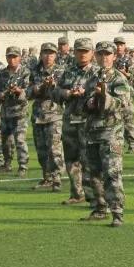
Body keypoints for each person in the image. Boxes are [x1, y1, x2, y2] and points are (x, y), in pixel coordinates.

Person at [81, 41, 132, 227]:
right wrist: (89, 103)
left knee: (112, 174)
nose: (104, 58)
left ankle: (117, 212)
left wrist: (105, 97)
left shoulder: (119, 79)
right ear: (95, 56)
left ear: (114, 56)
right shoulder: (91, 77)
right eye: (101, 54)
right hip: (92, 132)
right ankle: (100, 208)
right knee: (92, 174)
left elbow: (123, 104)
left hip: (111, 133)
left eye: (108, 54)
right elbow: (82, 104)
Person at [53, 38, 97, 205]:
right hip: (70, 120)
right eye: (79, 51)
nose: (82, 54)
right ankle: (76, 193)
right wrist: (69, 93)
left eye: (86, 51)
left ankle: (92, 195)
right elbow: (55, 93)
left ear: (92, 53)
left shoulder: (97, 72)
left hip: (88, 122)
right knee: (71, 158)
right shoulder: (68, 72)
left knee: (89, 160)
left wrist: (85, 93)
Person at [28, 42, 64, 191]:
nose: (48, 56)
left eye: (51, 53)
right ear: (41, 55)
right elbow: (28, 93)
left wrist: (53, 87)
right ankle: (47, 177)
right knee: (41, 150)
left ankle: (57, 179)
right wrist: (39, 88)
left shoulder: (61, 71)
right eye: (45, 53)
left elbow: (64, 93)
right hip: (38, 115)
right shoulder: (35, 72)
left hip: (54, 115)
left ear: (55, 55)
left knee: (54, 149)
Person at [0, 46, 32, 177]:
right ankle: (7, 164)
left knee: (20, 140)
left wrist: (19, 91)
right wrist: (1, 94)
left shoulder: (25, 72)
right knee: (6, 141)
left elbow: (28, 91)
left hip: (19, 112)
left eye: (14, 57)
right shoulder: (3, 74)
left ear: (19, 58)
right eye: (9, 57)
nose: (12, 60)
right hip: (5, 111)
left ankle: (23, 166)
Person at [113, 37, 134, 153]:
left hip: (126, 95)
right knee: (114, 121)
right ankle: (117, 145)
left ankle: (132, 145)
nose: (119, 47)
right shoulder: (111, 59)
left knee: (129, 122)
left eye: (121, 45)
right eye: (117, 44)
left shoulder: (129, 60)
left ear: (124, 46)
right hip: (113, 95)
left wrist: (124, 73)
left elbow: (133, 76)